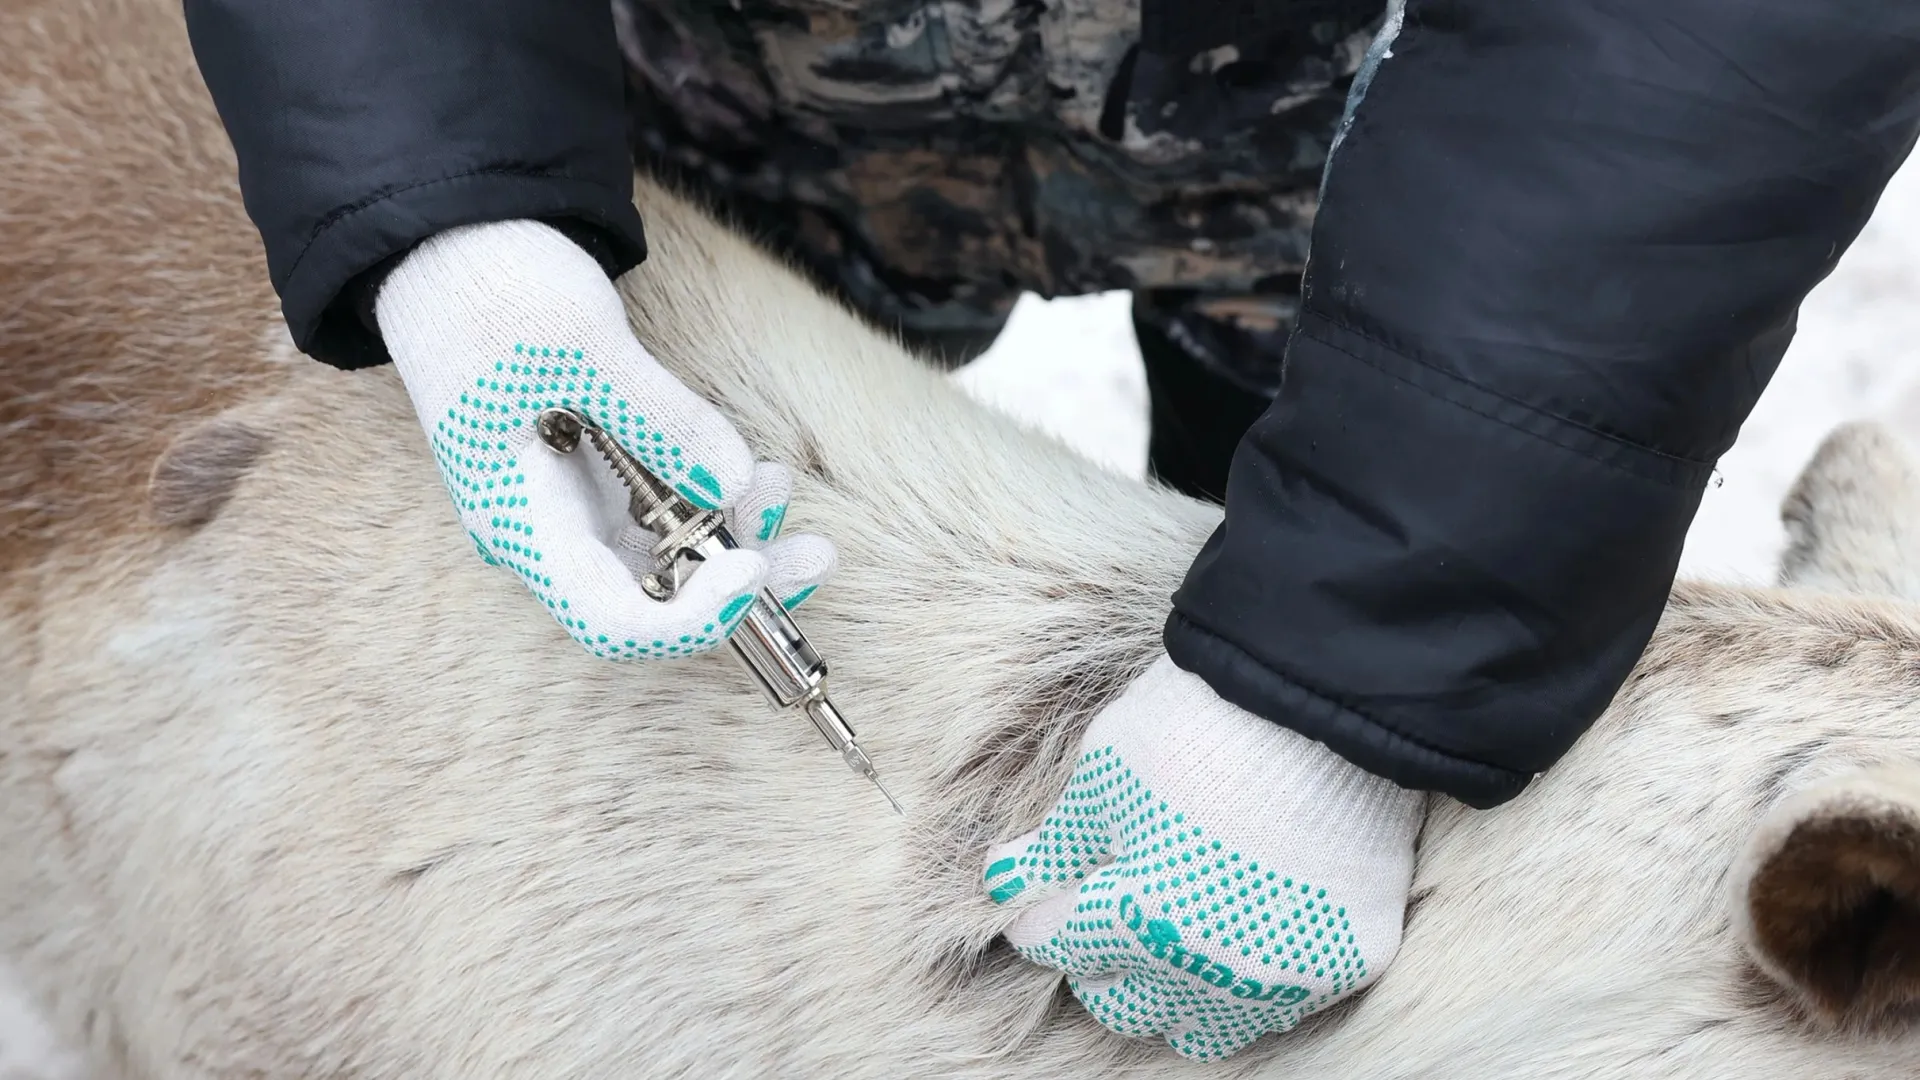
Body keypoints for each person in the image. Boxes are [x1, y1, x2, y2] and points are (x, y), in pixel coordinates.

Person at [182, 0, 1920, 1062]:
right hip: (728, 94)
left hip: (1388, 167)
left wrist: (1340, 677)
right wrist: (455, 213)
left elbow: (1708, 41)